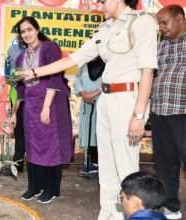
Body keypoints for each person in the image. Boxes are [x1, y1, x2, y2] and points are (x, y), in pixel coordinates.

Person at [18, 0, 157, 217]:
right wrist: (35, 72)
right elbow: (74, 58)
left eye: (102, 1)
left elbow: (148, 71)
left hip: (127, 99)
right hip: (106, 100)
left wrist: (139, 115)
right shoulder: (106, 28)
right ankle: (108, 213)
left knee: (126, 166)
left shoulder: (142, 22)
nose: (98, 4)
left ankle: (133, 215)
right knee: (107, 166)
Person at [14, 17, 73, 204]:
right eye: (23, 32)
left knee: (51, 145)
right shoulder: (20, 57)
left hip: (51, 102)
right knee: (32, 145)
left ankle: (51, 189)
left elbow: (55, 77)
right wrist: (14, 113)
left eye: (29, 29)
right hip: (30, 105)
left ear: (37, 30)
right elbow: (19, 88)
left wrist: (46, 107)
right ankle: (34, 187)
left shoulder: (50, 48)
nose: (26, 34)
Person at [150, 5, 186, 220]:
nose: (161, 27)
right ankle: (171, 207)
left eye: (165, 22)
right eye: (159, 23)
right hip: (160, 113)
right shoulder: (160, 47)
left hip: (183, 113)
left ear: (180, 18)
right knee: (165, 163)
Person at [73, 63, 102, 174]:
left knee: (99, 132)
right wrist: (84, 94)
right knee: (87, 131)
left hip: (102, 102)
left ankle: (99, 163)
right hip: (86, 103)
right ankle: (90, 162)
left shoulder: (108, 62)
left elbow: (108, 82)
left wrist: (93, 94)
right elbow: (77, 80)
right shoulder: (84, 65)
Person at [5, 37, 26, 176]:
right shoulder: (12, 50)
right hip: (17, 94)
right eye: (21, 31)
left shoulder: (40, 48)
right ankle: (18, 164)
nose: (24, 34)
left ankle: (38, 165)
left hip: (35, 96)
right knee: (18, 130)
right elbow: (7, 72)